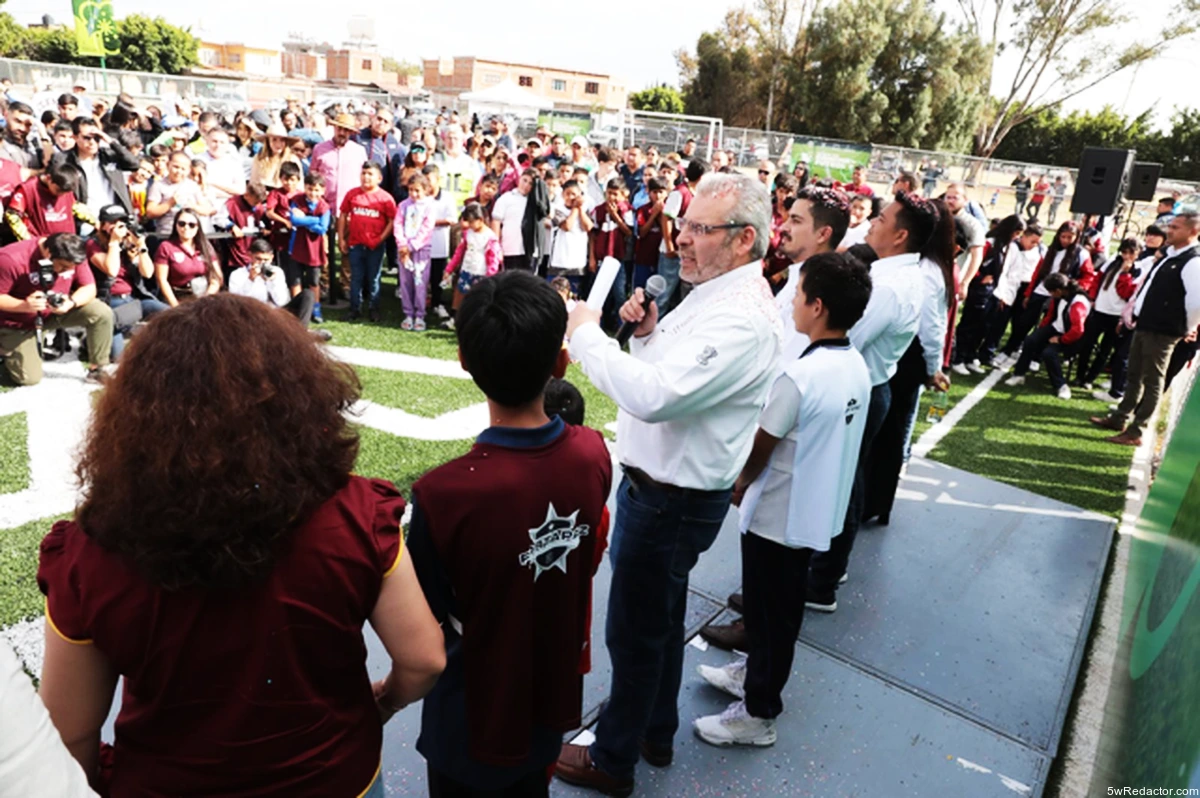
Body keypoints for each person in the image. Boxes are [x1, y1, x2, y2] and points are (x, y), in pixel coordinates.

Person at [36, 293, 445, 797]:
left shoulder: (90, 553)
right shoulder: (357, 512)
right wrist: (383, 703)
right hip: (337, 777)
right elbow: (424, 658)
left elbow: (69, 732)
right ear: (297, 396)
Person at [556, 172, 783, 796]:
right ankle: (655, 730)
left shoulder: (740, 318)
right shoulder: (715, 295)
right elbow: (672, 377)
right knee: (658, 619)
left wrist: (585, 336)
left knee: (633, 633)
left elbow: (655, 396)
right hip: (664, 493)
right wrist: (651, 332)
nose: (680, 239)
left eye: (698, 230)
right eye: (683, 225)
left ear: (743, 241)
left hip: (669, 500)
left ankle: (613, 758)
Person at [406, 270, 611, 797]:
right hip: (549, 695)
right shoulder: (592, 452)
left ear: (464, 362)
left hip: (471, 715)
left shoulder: (443, 494)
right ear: (560, 363)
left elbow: (424, 616)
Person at [692, 252, 873, 747]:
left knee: (772, 616)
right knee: (779, 610)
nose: (791, 301)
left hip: (778, 515)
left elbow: (762, 444)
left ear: (816, 307)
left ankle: (758, 714)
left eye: (797, 293)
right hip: (811, 512)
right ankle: (752, 675)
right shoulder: (854, 364)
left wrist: (739, 483)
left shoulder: (800, 377)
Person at [806, 192, 948, 613]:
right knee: (848, 482)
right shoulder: (900, 276)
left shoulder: (888, 287)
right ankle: (830, 566)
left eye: (882, 218)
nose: (872, 221)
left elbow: (842, 335)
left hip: (861, 390)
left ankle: (823, 580)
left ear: (900, 235)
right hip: (870, 388)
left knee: (842, 486)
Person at [1091, 212, 1200, 446]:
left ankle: (1136, 431)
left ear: (1194, 232)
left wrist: (1185, 328)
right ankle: (1120, 418)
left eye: (1176, 227)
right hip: (1146, 325)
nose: (1170, 231)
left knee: (1152, 381)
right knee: (1134, 375)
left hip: (1164, 331)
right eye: (1170, 226)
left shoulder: (1193, 261)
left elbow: (1197, 302)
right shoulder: (1171, 255)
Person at [0, 231, 115, 386]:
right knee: (29, 378)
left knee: (101, 312)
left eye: (71, 267)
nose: (68, 271)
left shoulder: (73, 255)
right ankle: (5, 349)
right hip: (17, 321)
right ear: (48, 253)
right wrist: (24, 306)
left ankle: (97, 369)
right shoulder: (11, 259)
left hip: (51, 313)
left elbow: (89, 287)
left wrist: (71, 303)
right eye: (63, 267)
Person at [999, 220, 1091, 361]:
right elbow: (1038, 272)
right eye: (1063, 236)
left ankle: (1036, 357)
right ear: (1058, 235)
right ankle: (1010, 348)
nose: (1066, 240)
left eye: (1070, 237)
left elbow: (1089, 276)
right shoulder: (1050, 250)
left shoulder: (1081, 254)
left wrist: (1073, 286)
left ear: (1076, 237)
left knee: (1047, 326)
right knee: (1023, 322)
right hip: (1041, 291)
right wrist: (1029, 293)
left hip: (1060, 295)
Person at [86, 205, 167, 360]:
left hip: (134, 300)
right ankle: (97, 336)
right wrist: (114, 242)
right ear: (103, 225)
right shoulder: (93, 244)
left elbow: (148, 273)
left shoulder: (128, 241)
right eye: (113, 222)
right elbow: (112, 270)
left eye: (121, 222)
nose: (118, 226)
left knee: (170, 314)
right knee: (118, 357)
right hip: (111, 302)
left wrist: (141, 246)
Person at [952, 215, 1026, 373]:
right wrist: (979, 278)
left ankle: (970, 357)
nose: (1017, 237)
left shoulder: (1009, 247)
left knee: (983, 327)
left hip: (994, 293)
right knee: (969, 324)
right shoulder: (989, 244)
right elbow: (974, 263)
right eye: (1016, 233)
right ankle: (957, 358)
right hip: (979, 291)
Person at [1004, 273, 1092, 400]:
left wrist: (1061, 340)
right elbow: (1050, 315)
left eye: (1051, 292)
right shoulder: (1059, 296)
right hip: (1058, 327)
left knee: (1048, 353)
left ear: (1058, 290)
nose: (1050, 295)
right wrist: (1040, 332)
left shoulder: (1078, 303)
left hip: (1074, 338)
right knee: (1030, 340)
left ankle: (1061, 385)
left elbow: (1078, 330)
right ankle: (1019, 374)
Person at [312, 113, 368, 304]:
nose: (342, 133)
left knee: (347, 248)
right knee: (323, 248)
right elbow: (313, 176)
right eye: (340, 128)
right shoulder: (320, 149)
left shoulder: (359, 151)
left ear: (351, 132)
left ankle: (346, 284)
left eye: (346, 130)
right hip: (324, 206)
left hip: (350, 208)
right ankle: (325, 283)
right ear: (334, 128)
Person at [228, 238, 329, 337]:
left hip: (276, 313)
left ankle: (300, 333)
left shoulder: (277, 272)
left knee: (308, 294)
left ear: (271, 258)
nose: (262, 263)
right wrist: (251, 280)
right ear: (250, 255)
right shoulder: (237, 274)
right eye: (258, 259)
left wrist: (272, 282)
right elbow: (237, 303)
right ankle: (303, 334)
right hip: (253, 314)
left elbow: (282, 301)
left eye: (266, 260)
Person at [1076, 237, 1141, 391]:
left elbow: (1126, 293)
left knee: (1105, 349)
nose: (1127, 256)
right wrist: (1092, 298)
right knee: (1087, 344)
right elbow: (1097, 280)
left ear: (1138, 254)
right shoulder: (1112, 263)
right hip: (1099, 309)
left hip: (1116, 315)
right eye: (1125, 252)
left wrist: (1125, 274)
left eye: (1131, 253)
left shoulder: (1138, 270)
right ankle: (1080, 375)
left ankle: (1090, 378)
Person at [339, 162, 396, 323]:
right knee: (356, 277)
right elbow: (343, 215)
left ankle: (374, 308)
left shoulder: (385, 198)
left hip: (375, 246)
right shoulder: (352, 194)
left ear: (379, 178)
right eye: (364, 173)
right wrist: (342, 237)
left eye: (370, 174)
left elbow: (392, 221)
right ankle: (355, 308)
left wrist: (380, 239)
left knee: (373, 278)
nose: (366, 177)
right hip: (355, 244)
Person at [54, 117, 141, 220]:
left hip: (115, 216)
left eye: (96, 138)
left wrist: (110, 141)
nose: (92, 142)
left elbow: (134, 164)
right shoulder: (64, 159)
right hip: (85, 219)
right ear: (75, 137)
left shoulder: (109, 155)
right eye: (87, 138)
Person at [153, 208, 222, 307]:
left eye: (191, 225)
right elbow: (161, 279)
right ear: (175, 225)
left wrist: (205, 300)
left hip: (204, 299)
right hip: (178, 298)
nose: (186, 227)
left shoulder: (206, 247)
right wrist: (175, 306)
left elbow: (216, 278)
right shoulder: (166, 247)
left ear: (198, 227)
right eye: (181, 223)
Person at [394, 173, 436, 330]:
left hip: (421, 251)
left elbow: (426, 229)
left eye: (417, 190)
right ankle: (408, 313)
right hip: (404, 251)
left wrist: (412, 246)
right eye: (411, 190)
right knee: (405, 282)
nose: (413, 194)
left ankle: (420, 315)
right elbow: (397, 225)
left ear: (425, 190)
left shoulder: (429, 207)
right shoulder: (403, 205)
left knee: (420, 282)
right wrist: (403, 246)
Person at [445, 202, 502, 315]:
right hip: (467, 269)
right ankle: (455, 316)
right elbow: (459, 252)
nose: (469, 225)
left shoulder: (490, 238)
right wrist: (449, 269)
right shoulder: (468, 234)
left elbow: (493, 261)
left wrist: (490, 277)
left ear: (480, 220)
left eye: (471, 222)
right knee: (460, 292)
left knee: (478, 298)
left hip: (481, 273)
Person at [289, 173, 332, 322]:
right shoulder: (297, 200)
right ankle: (296, 309)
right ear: (305, 187)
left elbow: (322, 228)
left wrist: (305, 220)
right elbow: (294, 220)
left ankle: (316, 309)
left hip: (314, 250)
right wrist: (315, 220)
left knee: (314, 281)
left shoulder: (324, 206)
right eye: (310, 189)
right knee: (295, 280)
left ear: (323, 191)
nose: (313, 193)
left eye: (316, 190)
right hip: (297, 247)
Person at [6, 164, 89, 240]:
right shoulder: (28, 188)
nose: (62, 195)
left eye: (66, 192)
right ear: (48, 178)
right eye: (58, 191)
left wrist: (95, 222)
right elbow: (12, 214)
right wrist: (28, 239)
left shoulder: (66, 185)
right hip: (42, 246)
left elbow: (74, 206)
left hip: (68, 242)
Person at [144, 151, 212, 238]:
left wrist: (193, 206)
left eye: (183, 169)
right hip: (167, 233)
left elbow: (207, 210)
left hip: (189, 233)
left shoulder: (192, 186)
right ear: (168, 165)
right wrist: (169, 203)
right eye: (176, 167)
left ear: (188, 170)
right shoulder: (158, 185)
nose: (179, 171)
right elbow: (150, 212)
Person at [548, 179, 593, 294]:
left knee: (575, 294)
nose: (570, 197)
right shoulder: (557, 209)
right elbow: (567, 226)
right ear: (563, 195)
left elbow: (588, 227)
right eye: (567, 194)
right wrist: (575, 208)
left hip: (577, 261)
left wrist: (580, 209)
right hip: (560, 260)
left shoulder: (585, 209)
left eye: (574, 194)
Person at [492, 168, 535, 271]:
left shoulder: (534, 201)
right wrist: (497, 248)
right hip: (510, 249)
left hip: (528, 251)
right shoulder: (506, 198)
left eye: (530, 183)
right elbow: (496, 222)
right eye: (524, 180)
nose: (526, 185)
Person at [195, 127, 246, 207]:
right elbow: (195, 187)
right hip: (203, 204)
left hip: (228, 207)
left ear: (227, 144)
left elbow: (240, 190)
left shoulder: (234, 163)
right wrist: (227, 194)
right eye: (214, 141)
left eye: (222, 142)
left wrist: (211, 182)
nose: (218, 145)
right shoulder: (197, 160)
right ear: (207, 141)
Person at [223, 182, 267, 270]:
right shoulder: (232, 203)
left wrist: (263, 228)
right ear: (247, 195)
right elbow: (218, 218)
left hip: (253, 246)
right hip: (237, 248)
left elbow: (261, 220)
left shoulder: (259, 207)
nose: (257, 204)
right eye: (255, 202)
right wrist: (232, 226)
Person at [250, 123, 301, 191]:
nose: (278, 144)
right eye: (274, 140)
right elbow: (253, 183)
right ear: (268, 142)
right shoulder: (259, 158)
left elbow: (299, 186)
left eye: (282, 140)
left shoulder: (292, 159)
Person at [1, 102, 45, 170]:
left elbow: (50, 165)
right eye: (18, 121)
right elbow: (13, 174)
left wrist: (44, 135)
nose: (22, 128)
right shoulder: (2, 143)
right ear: (6, 115)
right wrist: (42, 172)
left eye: (27, 125)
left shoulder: (34, 143)